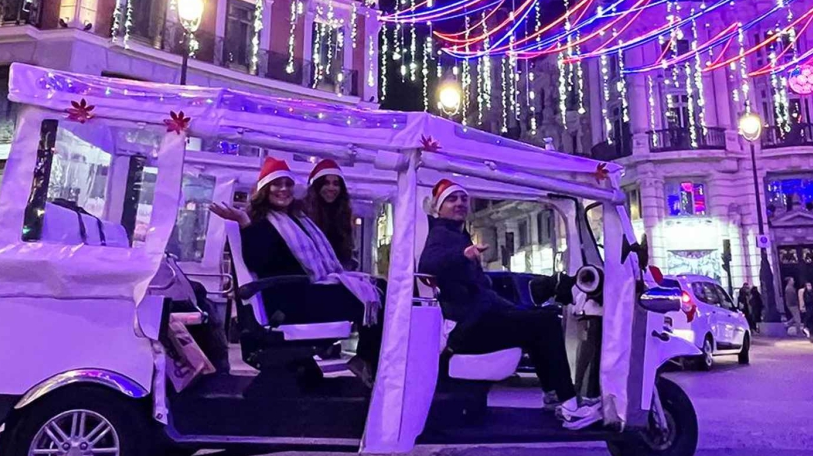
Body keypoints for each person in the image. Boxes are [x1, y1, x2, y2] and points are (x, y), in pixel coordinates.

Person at [418, 178, 597, 429]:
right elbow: (428, 264)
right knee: (544, 323)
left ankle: (553, 395)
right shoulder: (442, 233)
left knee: (537, 320)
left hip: (473, 321)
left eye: (463, 198)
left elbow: (480, 290)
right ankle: (570, 406)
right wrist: (463, 254)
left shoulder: (457, 234)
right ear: (438, 207)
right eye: (451, 199)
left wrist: (514, 308)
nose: (459, 203)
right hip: (466, 328)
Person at [210, 157, 381, 380]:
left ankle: (367, 359)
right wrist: (244, 223)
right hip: (288, 301)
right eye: (277, 184)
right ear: (265, 189)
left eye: (288, 184)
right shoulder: (260, 223)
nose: (283, 189)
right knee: (379, 295)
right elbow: (258, 262)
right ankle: (370, 363)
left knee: (379, 287)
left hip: (305, 292)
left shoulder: (297, 219)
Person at [303, 158, 356, 268]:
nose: (331, 188)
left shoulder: (343, 215)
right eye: (326, 183)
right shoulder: (303, 214)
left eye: (336, 184)